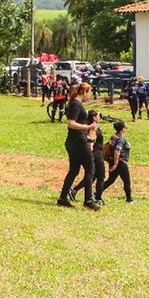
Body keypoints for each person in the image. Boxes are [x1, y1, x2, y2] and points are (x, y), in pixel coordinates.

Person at [57, 82, 101, 210]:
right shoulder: (76, 104)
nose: (90, 95)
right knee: (90, 168)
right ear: (84, 92)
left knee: (74, 170)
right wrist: (88, 127)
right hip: (78, 142)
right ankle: (88, 200)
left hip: (73, 141)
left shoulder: (76, 104)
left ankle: (62, 198)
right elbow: (70, 123)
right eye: (90, 92)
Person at [73, 109, 106, 204]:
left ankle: (74, 190)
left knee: (93, 176)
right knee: (100, 177)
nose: (100, 117)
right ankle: (98, 198)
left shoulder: (91, 126)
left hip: (96, 154)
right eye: (99, 115)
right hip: (96, 155)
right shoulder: (92, 127)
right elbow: (91, 142)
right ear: (94, 117)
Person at [102, 121, 133, 203]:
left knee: (110, 180)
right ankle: (129, 199)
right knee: (127, 181)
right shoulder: (121, 139)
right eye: (125, 128)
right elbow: (117, 151)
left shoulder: (113, 137)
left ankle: (96, 193)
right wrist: (116, 164)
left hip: (112, 161)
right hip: (120, 162)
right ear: (122, 129)